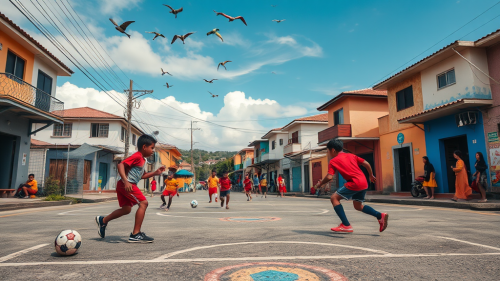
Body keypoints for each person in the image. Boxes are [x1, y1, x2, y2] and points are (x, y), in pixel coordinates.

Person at [95, 135, 165, 243]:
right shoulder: (137, 156)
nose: (153, 151)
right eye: (152, 148)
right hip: (127, 184)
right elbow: (121, 165)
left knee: (126, 209)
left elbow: (142, 176)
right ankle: (135, 234)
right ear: (144, 147)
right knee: (143, 203)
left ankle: (103, 220)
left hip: (125, 184)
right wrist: (126, 181)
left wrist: (156, 173)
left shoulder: (143, 160)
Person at [314, 139, 388, 233]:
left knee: (334, 198)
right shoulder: (351, 155)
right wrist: (371, 175)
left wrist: (321, 183)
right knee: (358, 206)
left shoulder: (333, 161)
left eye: (328, 151)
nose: (328, 153)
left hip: (354, 182)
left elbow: (329, 177)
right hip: (363, 182)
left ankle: (346, 225)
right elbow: (366, 163)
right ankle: (379, 216)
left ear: (333, 150)